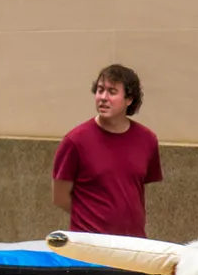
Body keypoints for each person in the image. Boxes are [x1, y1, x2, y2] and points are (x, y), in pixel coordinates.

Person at [54, 64, 162, 238]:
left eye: (112, 92)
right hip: (89, 244)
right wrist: (91, 218)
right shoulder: (75, 141)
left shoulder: (147, 139)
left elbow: (135, 190)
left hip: (133, 244)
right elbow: (60, 197)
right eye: (100, 90)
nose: (103, 97)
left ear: (129, 99)